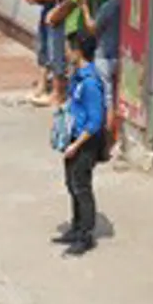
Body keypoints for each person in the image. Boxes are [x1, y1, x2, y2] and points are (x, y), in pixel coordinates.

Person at [54, 32, 107, 256]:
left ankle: (85, 234)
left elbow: (95, 121)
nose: (66, 53)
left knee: (82, 187)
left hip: (85, 142)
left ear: (78, 51)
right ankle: (75, 227)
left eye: (69, 49)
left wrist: (76, 146)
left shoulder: (90, 84)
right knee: (71, 183)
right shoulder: (78, 77)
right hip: (73, 139)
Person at [24, 0, 72, 104]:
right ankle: (42, 85)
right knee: (43, 47)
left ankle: (58, 93)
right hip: (46, 9)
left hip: (57, 10)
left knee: (56, 49)